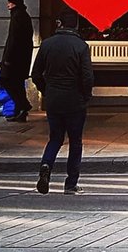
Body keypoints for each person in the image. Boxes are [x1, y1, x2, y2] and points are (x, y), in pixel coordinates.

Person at [31, 10, 94, 196]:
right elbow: (87, 76)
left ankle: (46, 165)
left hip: (54, 99)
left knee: (55, 138)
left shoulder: (47, 44)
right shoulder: (81, 46)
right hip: (75, 100)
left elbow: (36, 74)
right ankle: (71, 183)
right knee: (76, 141)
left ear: (59, 23)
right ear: (75, 25)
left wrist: (46, 90)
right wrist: (86, 95)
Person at [0, 0, 34, 123]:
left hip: (15, 59)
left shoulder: (18, 16)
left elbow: (13, 40)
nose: (8, 5)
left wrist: (7, 59)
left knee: (7, 81)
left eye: (10, 2)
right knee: (17, 84)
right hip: (21, 58)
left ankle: (23, 105)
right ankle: (20, 109)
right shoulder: (22, 15)